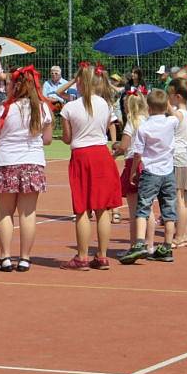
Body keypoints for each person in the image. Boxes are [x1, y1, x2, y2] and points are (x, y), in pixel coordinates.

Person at [0, 66, 53, 272]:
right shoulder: (42, 108)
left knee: (5, 212)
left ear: (15, 85)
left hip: (7, 163)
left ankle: (5, 257)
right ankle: (25, 258)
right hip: (32, 162)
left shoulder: (4, 108)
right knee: (27, 214)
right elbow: (48, 140)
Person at [59, 63, 122, 270]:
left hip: (81, 156)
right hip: (102, 155)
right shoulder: (104, 104)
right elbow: (105, 128)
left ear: (78, 82)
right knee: (102, 208)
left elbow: (67, 139)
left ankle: (82, 256)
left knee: (82, 209)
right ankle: (102, 256)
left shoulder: (70, 107)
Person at [119, 89, 178, 264]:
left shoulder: (144, 127)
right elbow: (178, 117)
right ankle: (167, 246)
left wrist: (134, 171)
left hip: (151, 171)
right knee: (168, 211)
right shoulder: (171, 122)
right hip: (168, 171)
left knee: (143, 208)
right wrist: (168, 106)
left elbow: (137, 153)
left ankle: (139, 243)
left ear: (149, 108)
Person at [113, 88, 155, 254]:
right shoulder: (149, 120)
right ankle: (150, 244)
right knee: (148, 208)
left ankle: (133, 246)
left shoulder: (132, 122)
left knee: (133, 210)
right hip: (149, 164)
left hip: (133, 163)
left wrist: (115, 150)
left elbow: (124, 146)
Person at [166, 78, 187, 248]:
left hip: (177, 158)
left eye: (170, 95)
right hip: (184, 157)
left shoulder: (178, 113)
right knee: (184, 200)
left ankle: (180, 235)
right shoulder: (186, 112)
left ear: (177, 96)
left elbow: (170, 112)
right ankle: (183, 235)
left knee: (179, 200)